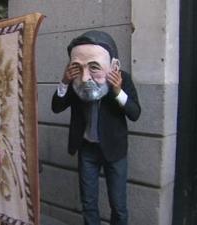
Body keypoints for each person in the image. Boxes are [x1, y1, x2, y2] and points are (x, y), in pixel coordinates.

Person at [51, 30, 141, 225]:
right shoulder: (76, 82)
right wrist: (65, 81)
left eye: (94, 67)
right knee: (88, 202)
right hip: (87, 150)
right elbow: (56, 107)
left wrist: (118, 92)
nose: (85, 78)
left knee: (118, 204)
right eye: (77, 67)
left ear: (114, 66)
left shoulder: (122, 79)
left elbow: (135, 113)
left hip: (114, 150)